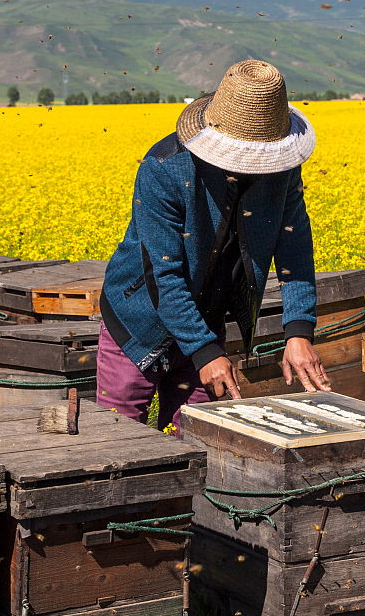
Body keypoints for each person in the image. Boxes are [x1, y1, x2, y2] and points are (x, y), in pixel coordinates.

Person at [96, 59, 333, 431]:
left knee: (198, 438)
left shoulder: (283, 170)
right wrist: (205, 353)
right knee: (120, 437)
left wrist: (298, 331)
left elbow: (295, 248)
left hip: (207, 315)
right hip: (139, 320)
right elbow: (163, 274)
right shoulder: (164, 168)